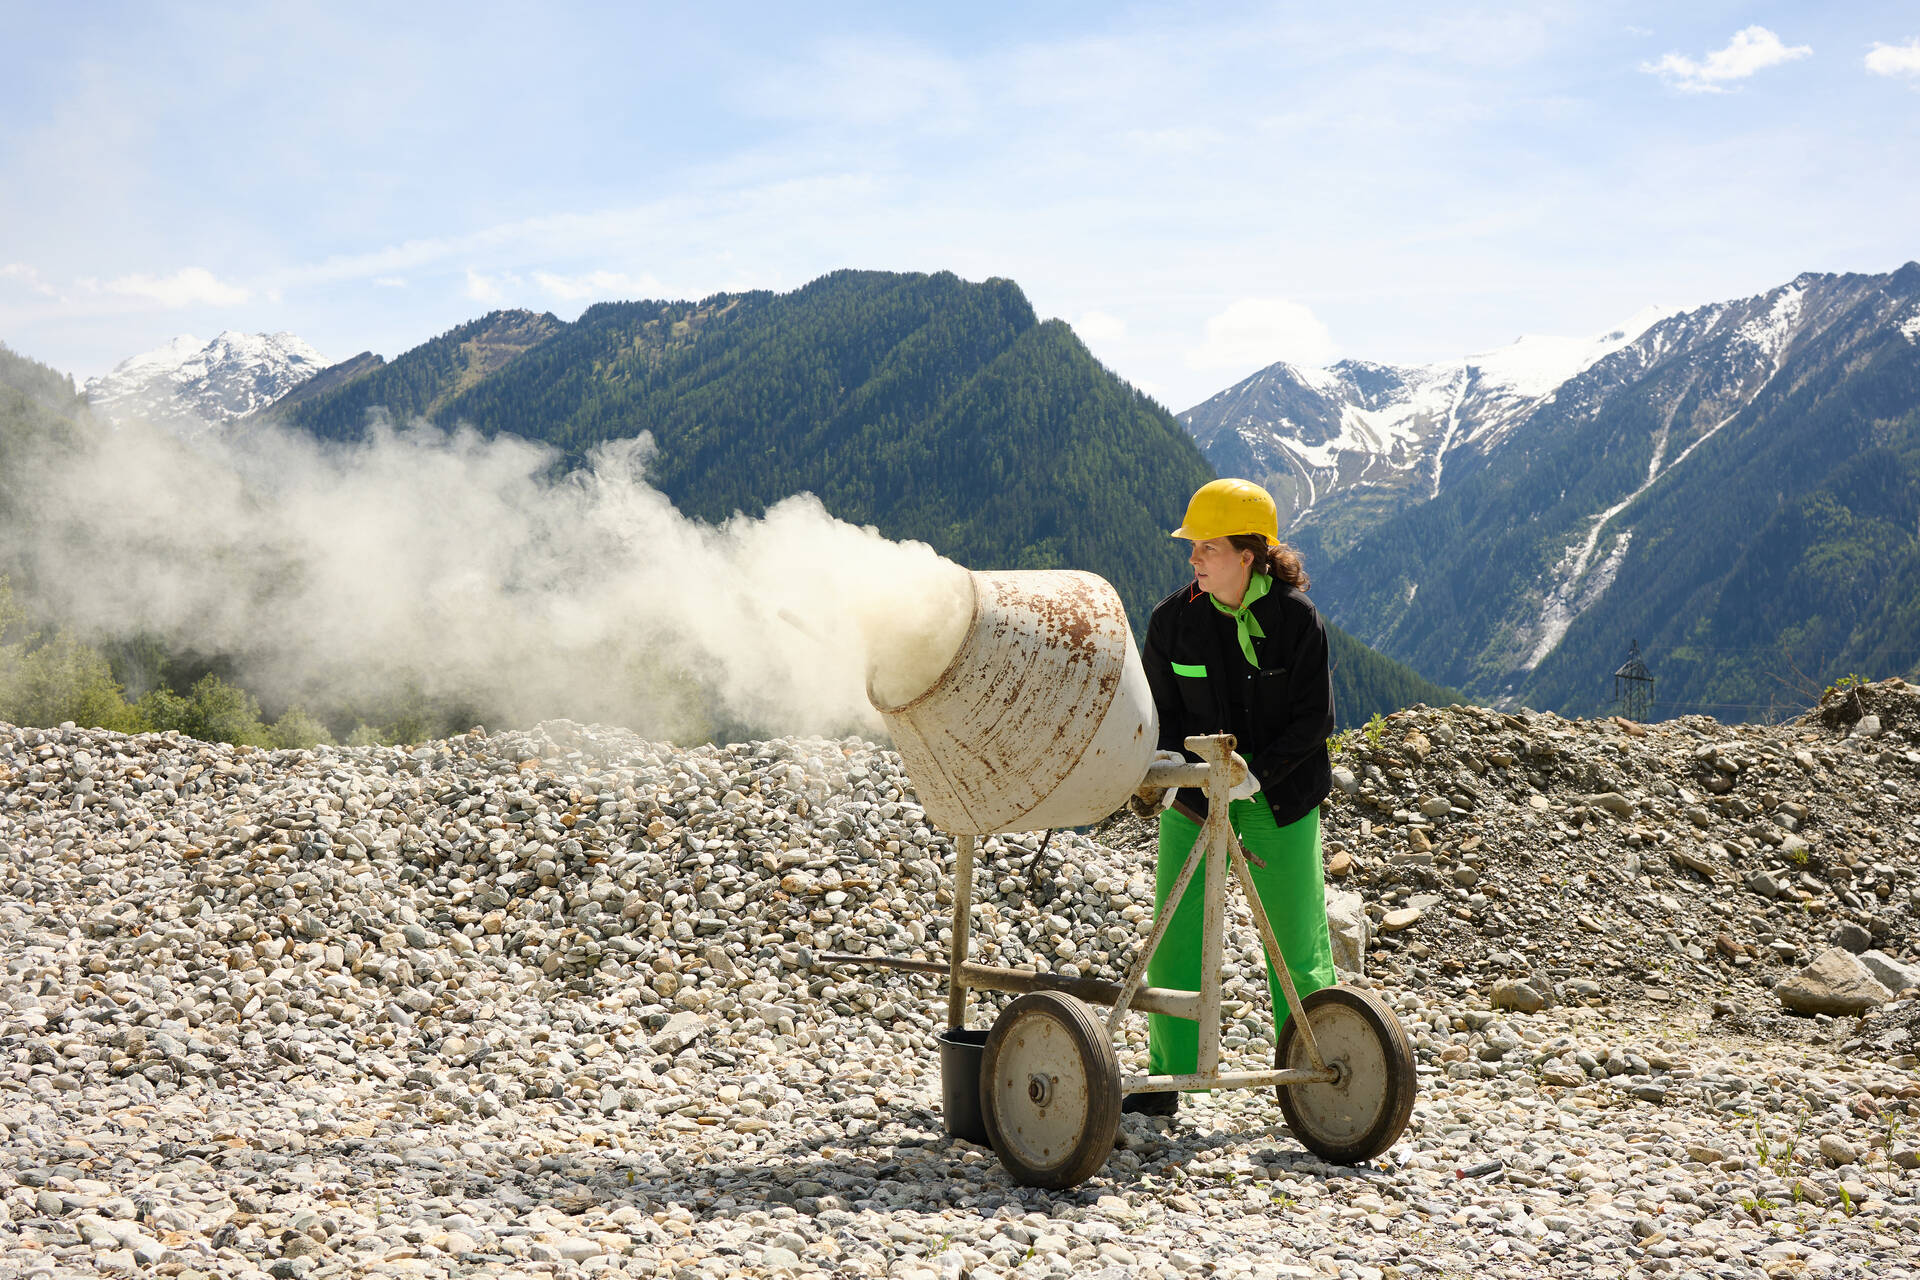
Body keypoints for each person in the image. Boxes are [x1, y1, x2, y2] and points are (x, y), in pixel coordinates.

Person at [1130, 477, 1338, 1115]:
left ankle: (1318, 1074)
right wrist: (1162, 773)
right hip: (1195, 797)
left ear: (1248, 555)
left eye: (1207, 546)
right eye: (1193, 546)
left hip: (1278, 796)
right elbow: (1158, 712)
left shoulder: (1297, 622)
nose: (1193, 557)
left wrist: (1258, 773)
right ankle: (1166, 1080)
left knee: (1295, 944)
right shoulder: (1172, 622)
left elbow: (1314, 721)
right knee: (1176, 933)